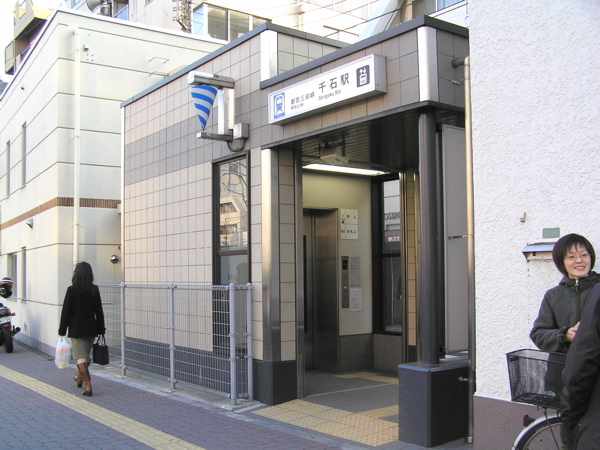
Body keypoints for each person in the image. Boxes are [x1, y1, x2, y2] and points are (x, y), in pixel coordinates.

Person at [530, 233, 600, 353]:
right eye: (571, 257)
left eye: (584, 255)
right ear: (561, 261)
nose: (579, 260)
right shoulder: (553, 296)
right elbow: (538, 334)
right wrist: (565, 335)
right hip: (562, 364)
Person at [561, 282, 600, 448]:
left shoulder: (596, 290)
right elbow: (539, 331)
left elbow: (583, 358)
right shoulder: (554, 295)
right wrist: (562, 335)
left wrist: (571, 418)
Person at [58, 262, 105, 397]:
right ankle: (80, 377)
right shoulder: (94, 289)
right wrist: (101, 329)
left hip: (76, 327)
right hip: (91, 326)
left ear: (76, 274)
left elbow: (66, 311)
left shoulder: (72, 290)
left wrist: (62, 330)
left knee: (80, 357)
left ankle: (88, 386)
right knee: (85, 356)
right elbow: (99, 311)